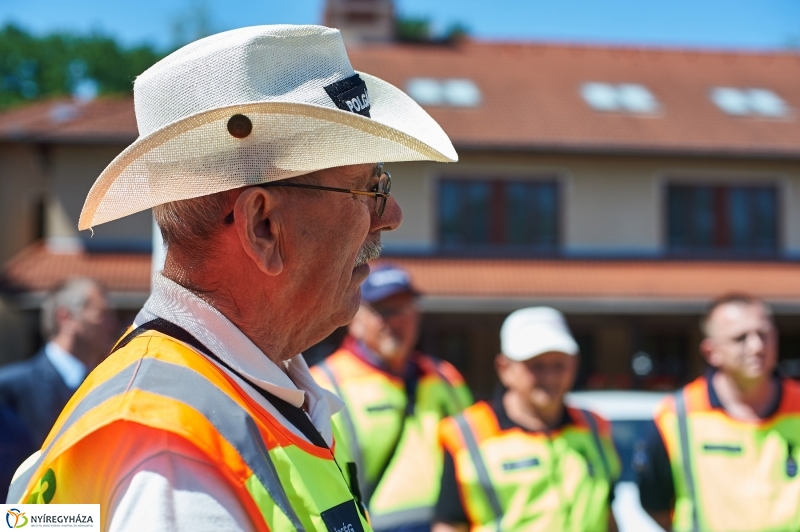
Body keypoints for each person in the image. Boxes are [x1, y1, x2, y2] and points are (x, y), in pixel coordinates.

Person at [6, 24, 457, 532]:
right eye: (367, 189)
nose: (390, 214)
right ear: (264, 227)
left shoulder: (227, 398)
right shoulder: (175, 462)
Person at [312, 264, 473, 532]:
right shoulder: (325, 383)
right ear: (355, 319)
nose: (396, 321)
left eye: (404, 309)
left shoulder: (445, 377)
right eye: (384, 311)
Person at [433, 307, 620, 532]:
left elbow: (607, 513)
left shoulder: (593, 426)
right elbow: (449, 524)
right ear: (505, 369)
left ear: (574, 365)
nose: (550, 377)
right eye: (537, 366)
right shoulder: (467, 434)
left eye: (558, 365)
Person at [636, 294, 800, 532]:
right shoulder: (675, 416)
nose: (757, 347)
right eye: (740, 338)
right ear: (711, 351)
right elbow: (655, 503)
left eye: (764, 335)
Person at [0, 277, 117, 498]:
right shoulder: (8, 390)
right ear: (66, 317)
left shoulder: (114, 388)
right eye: (103, 315)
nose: (113, 325)